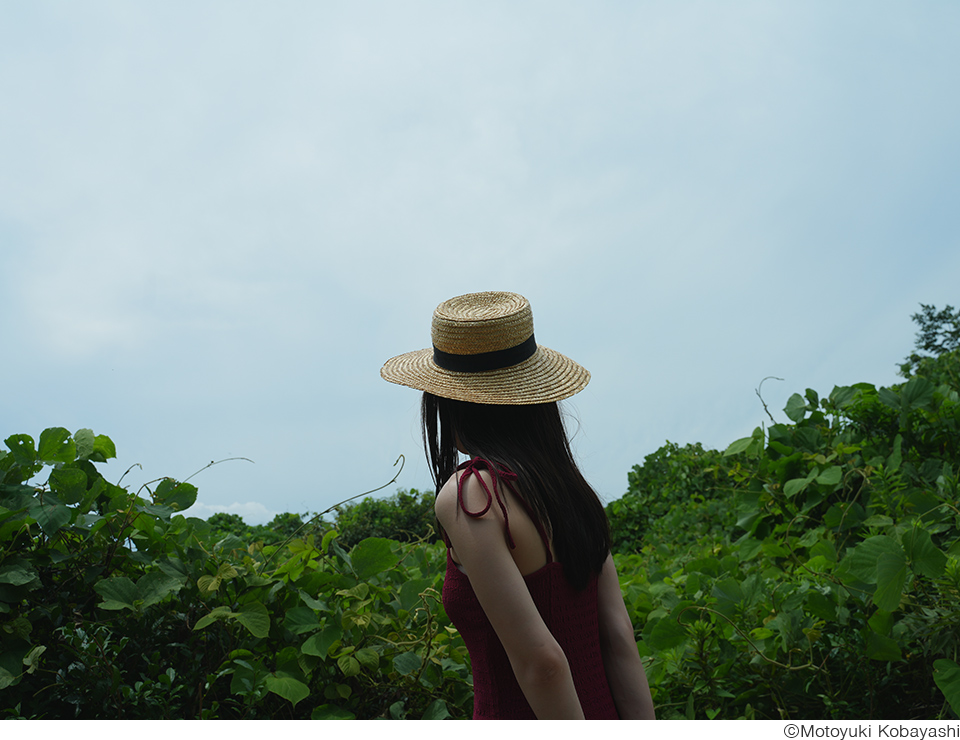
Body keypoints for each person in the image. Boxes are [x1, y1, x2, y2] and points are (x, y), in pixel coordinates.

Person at [381, 291, 655, 720]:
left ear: (449, 400)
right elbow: (618, 636)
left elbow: (541, 661)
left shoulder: (473, 495)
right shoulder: (573, 492)